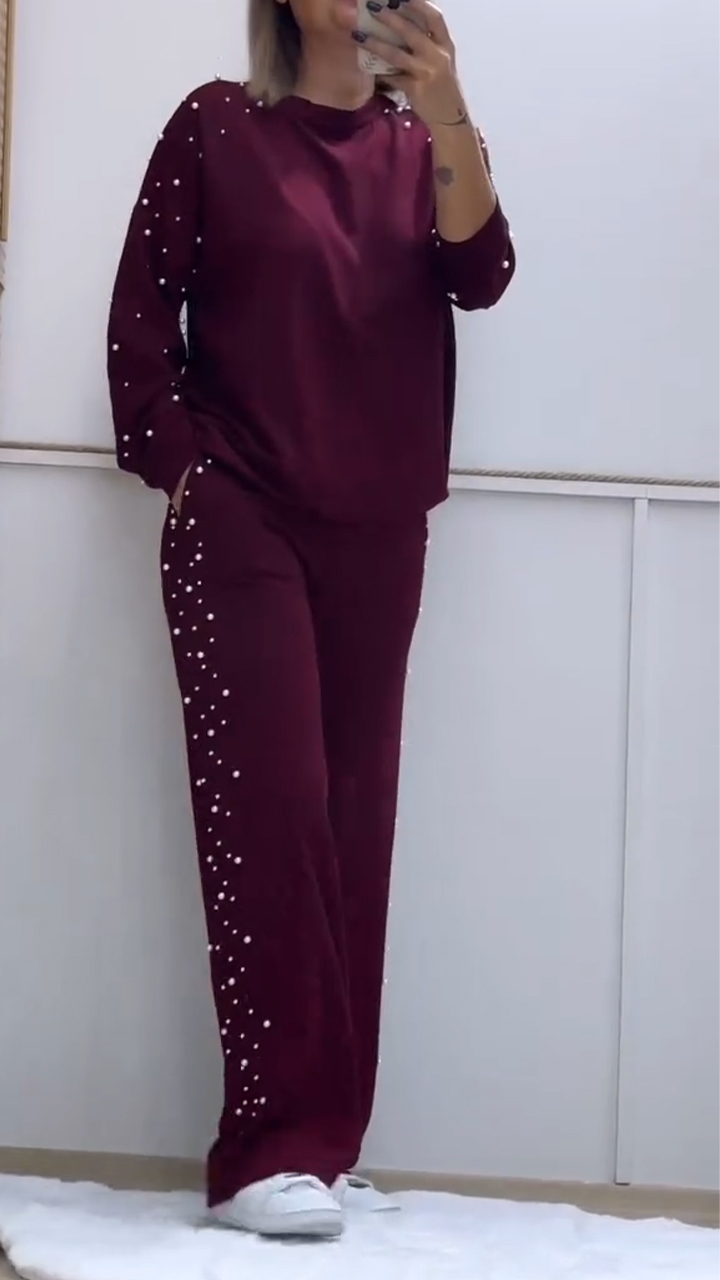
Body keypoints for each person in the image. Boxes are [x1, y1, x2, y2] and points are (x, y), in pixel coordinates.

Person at [107, 0, 515, 1242]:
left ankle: (324, 1142)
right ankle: (265, 1149)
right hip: (243, 516)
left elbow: (483, 274)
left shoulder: (422, 143)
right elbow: (139, 322)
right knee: (272, 814)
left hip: (380, 524)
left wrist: (447, 105)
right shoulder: (216, 127)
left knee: (351, 824)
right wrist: (185, 470)